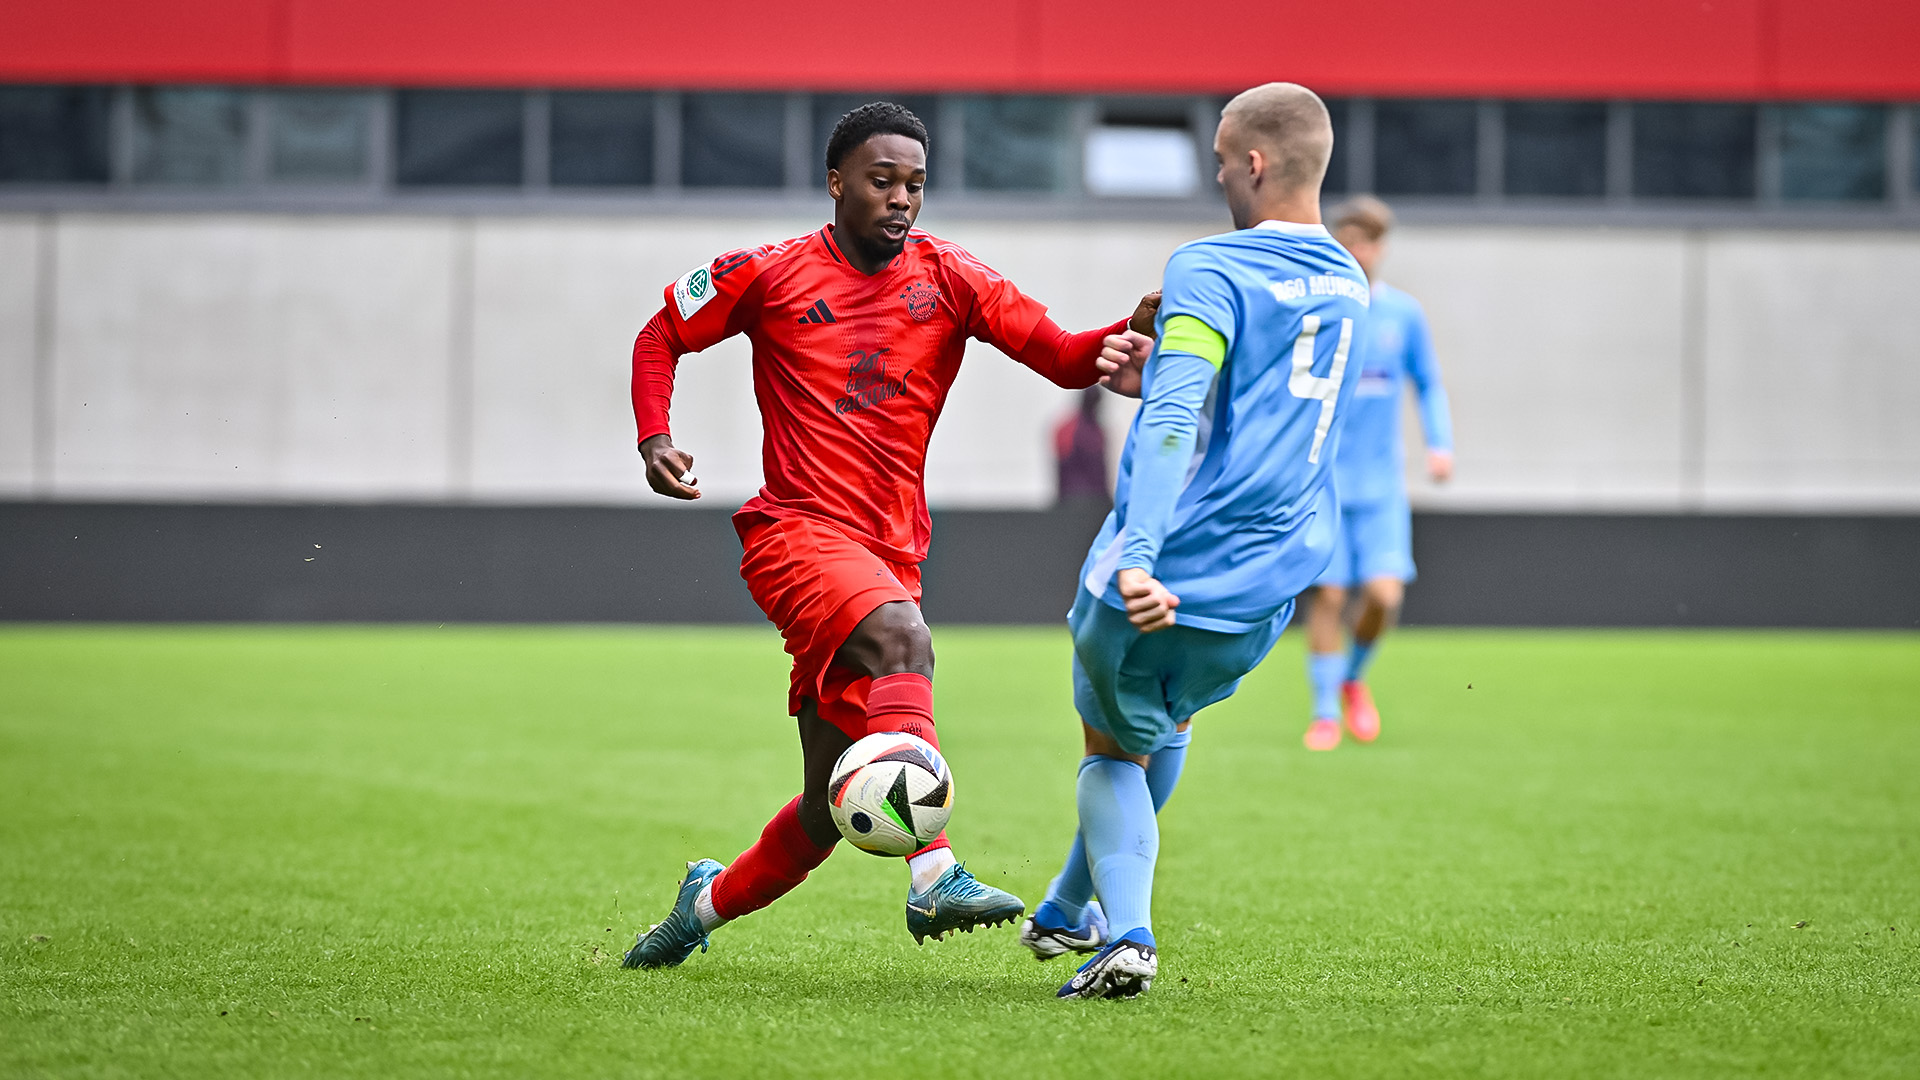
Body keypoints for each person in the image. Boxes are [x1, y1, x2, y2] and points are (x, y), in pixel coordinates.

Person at [621, 102, 1158, 969]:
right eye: (881, 181)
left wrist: (1124, 339)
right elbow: (661, 334)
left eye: (913, 183)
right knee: (905, 638)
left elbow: (1060, 353)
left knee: (819, 815)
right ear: (837, 183)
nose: (901, 198)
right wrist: (654, 435)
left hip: (888, 553)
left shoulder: (950, 276)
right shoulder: (766, 272)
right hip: (794, 532)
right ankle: (934, 874)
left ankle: (698, 910)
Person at [1023, 83, 1368, 999]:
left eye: (1220, 159)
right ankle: (1065, 909)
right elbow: (1256, 407)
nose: (1216, 173)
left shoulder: (1208, 267)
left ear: (1252, 163)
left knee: (1107, 749)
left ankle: (1127, 936)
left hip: (1164, 568)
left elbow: (1176, 423)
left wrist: (1138, 551)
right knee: (1159, 725)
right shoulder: (1349, 279)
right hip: (1265, 591)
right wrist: (1167, 368)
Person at [1299, 196, 1453, 752]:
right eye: (1347, 242)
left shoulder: (1403, 316)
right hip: (1325, 484)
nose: (1356, 252)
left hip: (1381, 486)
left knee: (1385, 597)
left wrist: (1441, 445)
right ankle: (1322, 715)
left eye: (1366, 243)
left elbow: (1428, 383)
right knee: (1330, 597)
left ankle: (1352, 680)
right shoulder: (1320, 313)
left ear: (1380, 249)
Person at [1053, 388, 1111, 505]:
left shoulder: (1097, 430)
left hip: (1097, 497)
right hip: (1072, 496)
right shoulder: (1068, 429)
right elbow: (1062, 466)